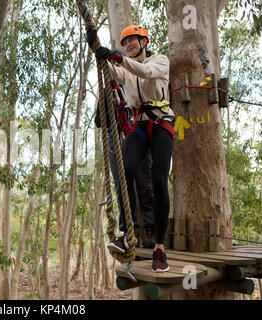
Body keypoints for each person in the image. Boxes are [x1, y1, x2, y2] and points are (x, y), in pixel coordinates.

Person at [87, 25, 175, 272]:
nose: (128, 45)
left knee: (158, 180)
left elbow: (145, 72)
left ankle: (159, 248)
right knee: (124, 167)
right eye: (125, 43)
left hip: (160, 122)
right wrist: (96, 47)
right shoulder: (126, 67)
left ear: (144, 41)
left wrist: (120, 58)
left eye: (132, 41)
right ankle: (127, 231)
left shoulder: (159, 61)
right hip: (139, 125)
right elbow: (113, 73)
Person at [94, 93, 155, 249]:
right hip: (117, 138)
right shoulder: (109, 91)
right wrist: (117, 114)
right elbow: (99, 121)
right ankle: (129, 231)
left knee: (145, 183)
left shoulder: (136, 84)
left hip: (138, 136)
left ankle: (150, 230)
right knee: (123, 187)